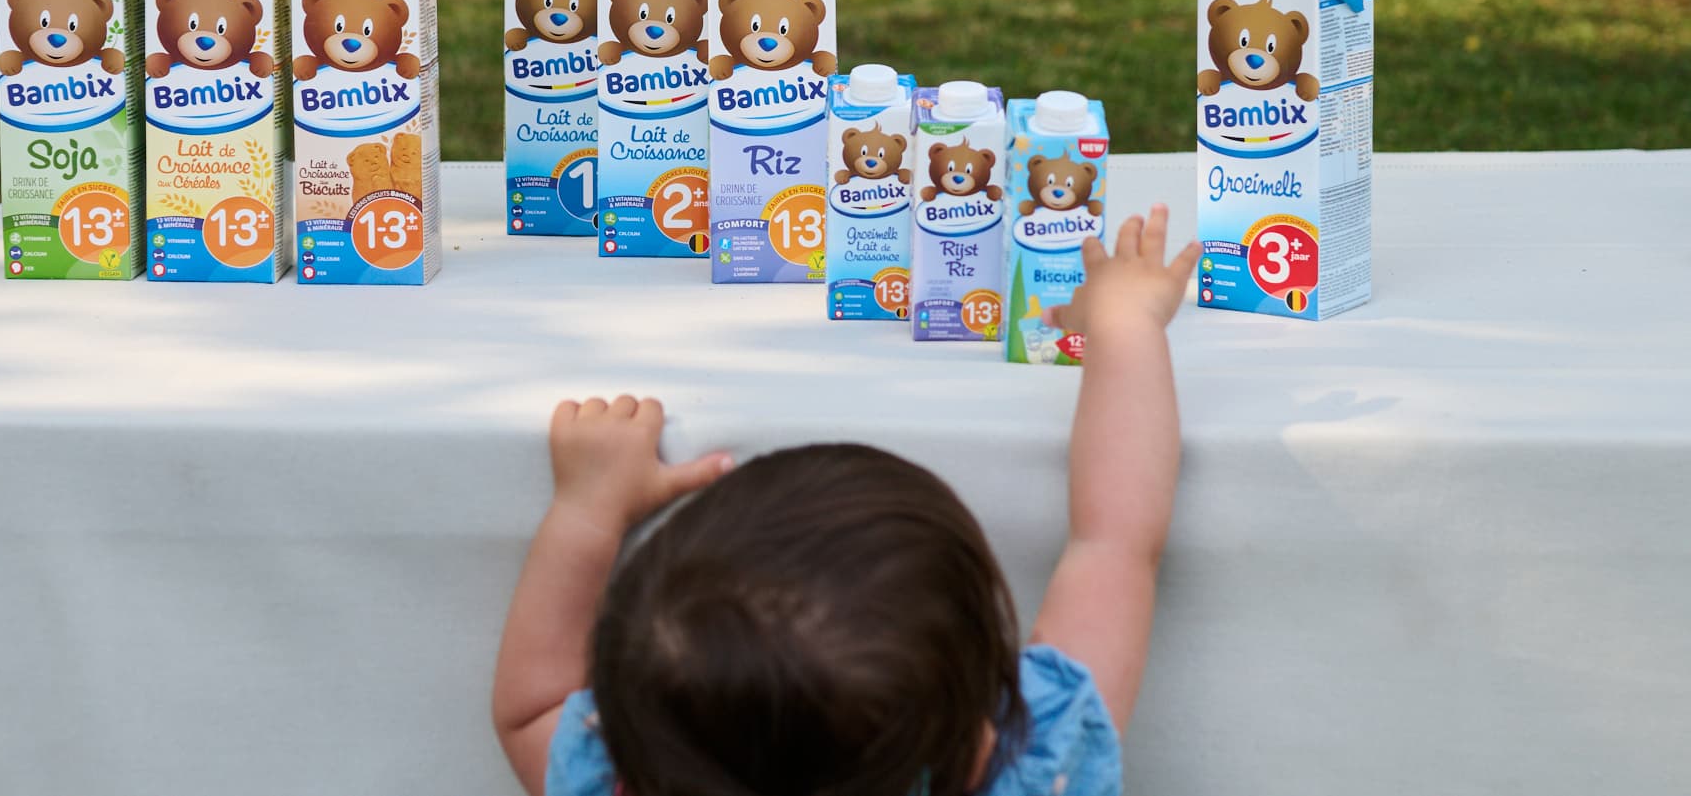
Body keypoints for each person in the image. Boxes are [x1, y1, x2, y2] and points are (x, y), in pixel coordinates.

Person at [492, 204, 1198, 796]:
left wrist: (586, 509)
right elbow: (1113, 543)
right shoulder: (1037, 767)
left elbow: (529, 710)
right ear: (977, 728)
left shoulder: (613, 777)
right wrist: (1124, 326)